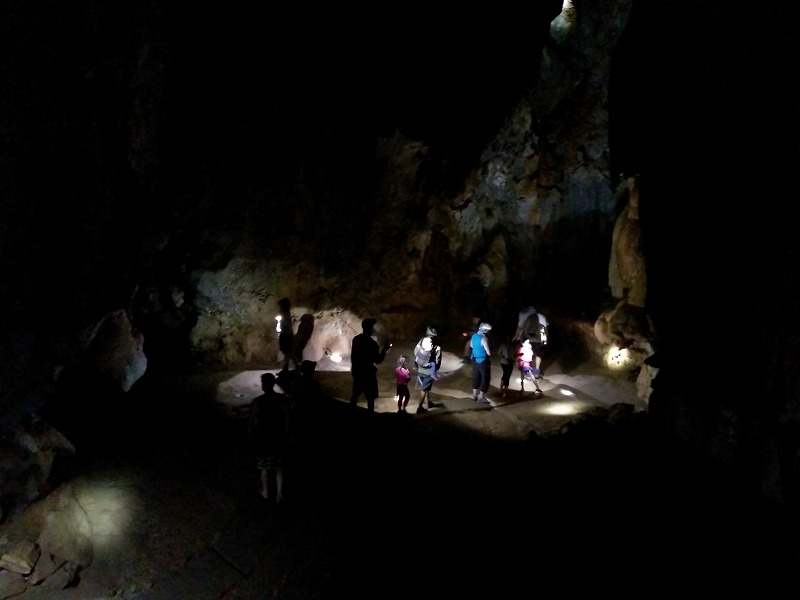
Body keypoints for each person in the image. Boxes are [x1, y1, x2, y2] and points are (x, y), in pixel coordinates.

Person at [250, 372, 291, 503]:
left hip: (264, 439)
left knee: (264, 467)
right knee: (279, 467)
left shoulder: (257, 401)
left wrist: (253, 436)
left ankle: (265, 491)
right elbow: (287, 418)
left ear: (264, 384)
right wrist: (286, 434)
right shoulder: (282, 399)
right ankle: (279, 493)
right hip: (278, 437)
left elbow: (255, 422)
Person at [349, 318, 392, 413]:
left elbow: (354, 356)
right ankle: (370, 418)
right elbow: (378, 360)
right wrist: (384, 350)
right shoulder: (372, 344)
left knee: (355, 395)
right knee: (370, 398)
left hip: (358, 372)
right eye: (372, 327)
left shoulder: (356, 339)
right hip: (368, 374)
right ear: (371, 328)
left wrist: (354, 369)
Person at [413, 326, 442, 413]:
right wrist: (435, 369)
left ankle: (428, 403)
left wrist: (420, 361)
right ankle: (419, 408)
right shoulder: (436, 346)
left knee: (426, 388)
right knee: (424, 389)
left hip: (420, 368)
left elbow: (415, 351)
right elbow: (437, 360)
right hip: (428, 372)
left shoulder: (422, 341)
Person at [514, 305, 549, 376]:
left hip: (527, 339)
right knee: (538, 355)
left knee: (527, 354)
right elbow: (545, 330)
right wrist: (546, 339)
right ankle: (537, 372)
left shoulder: (525, 315)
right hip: (538, 339)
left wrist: (516, 336)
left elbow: (519, 328)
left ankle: (528, 372)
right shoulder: (542, 317)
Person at [470, 322, 492, 404]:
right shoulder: (484, 339)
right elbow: (488, 352)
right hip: (484, 361)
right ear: (485, 330)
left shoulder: (474, 336)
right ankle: (481, 396)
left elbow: (471, 346)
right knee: (485, 378)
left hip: (475, 360)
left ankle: (474, 395)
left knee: (476, 377)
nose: (488, 331)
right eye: (487, 330)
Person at [277, 297, 296, 371]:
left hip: (286, 334)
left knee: (287, 351)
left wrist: (285, 332)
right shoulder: (286, 313)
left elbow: (286, 325)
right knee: (288, 352)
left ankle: (287, 367)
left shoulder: (285, 313)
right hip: (286, 333)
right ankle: (291, 366)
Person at [497, 331, 515, 399]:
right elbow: (499, 353)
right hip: (506, 362)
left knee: (505, 375)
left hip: (507, 362)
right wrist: (504, 356)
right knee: (507, 376)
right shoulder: (506, 345)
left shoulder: (511, 345)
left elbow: (499, 353)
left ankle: (501, 390)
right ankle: (504, 391)